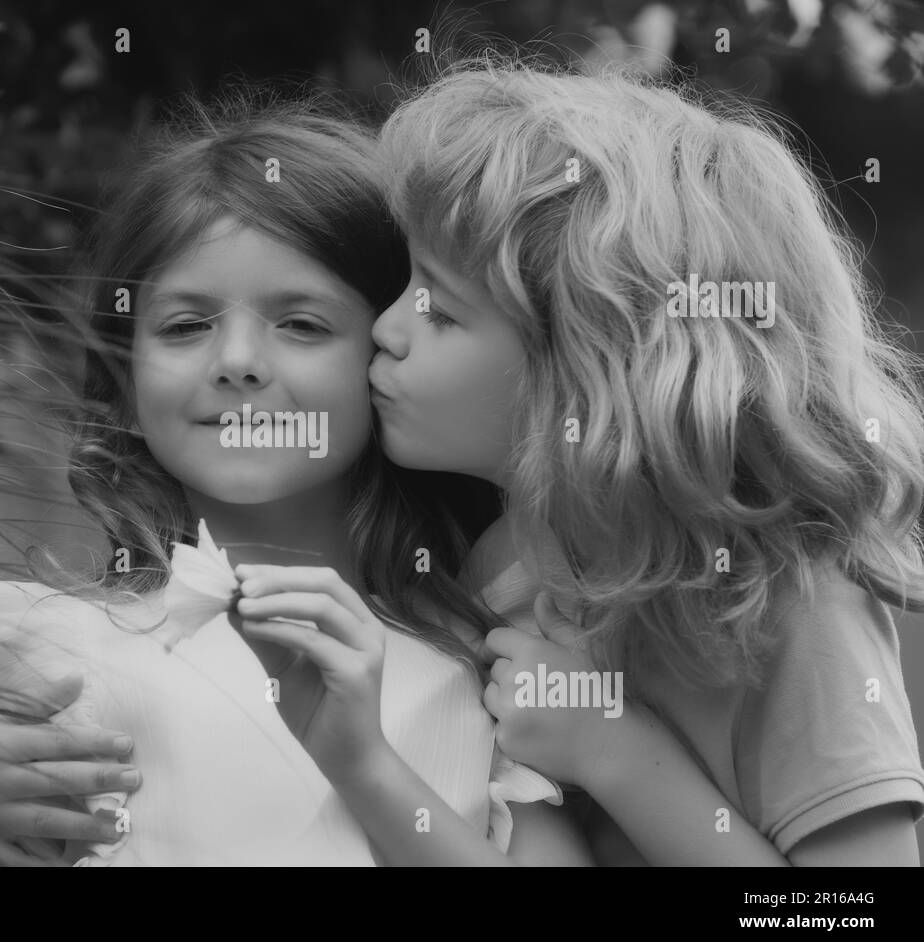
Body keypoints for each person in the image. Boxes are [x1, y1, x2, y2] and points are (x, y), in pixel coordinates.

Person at [0, 92, 588, 865]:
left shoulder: (495, 664)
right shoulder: (56, 648)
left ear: (388, 357)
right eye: (185, 325)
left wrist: (363, 764)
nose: (235, 361)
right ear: (125, 392)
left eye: (302, 324)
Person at [367, 55, 924, 865]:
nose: (385, 328)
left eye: (440, 312)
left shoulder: (789, 608)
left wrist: (614, 753)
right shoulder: (497, 564)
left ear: (592, 378)